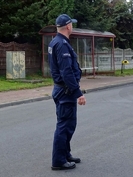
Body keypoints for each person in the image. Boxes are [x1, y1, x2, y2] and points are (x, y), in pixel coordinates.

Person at [48, 14, 86, 170]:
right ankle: (58, 161)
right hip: (65, 91)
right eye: (73, 25)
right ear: (69, 26)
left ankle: (65, 154)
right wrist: (78, 93)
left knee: (68, 124)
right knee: (64, 126)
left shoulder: (55, 42)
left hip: (62, 90)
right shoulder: (62, 44)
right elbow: (66, 72)